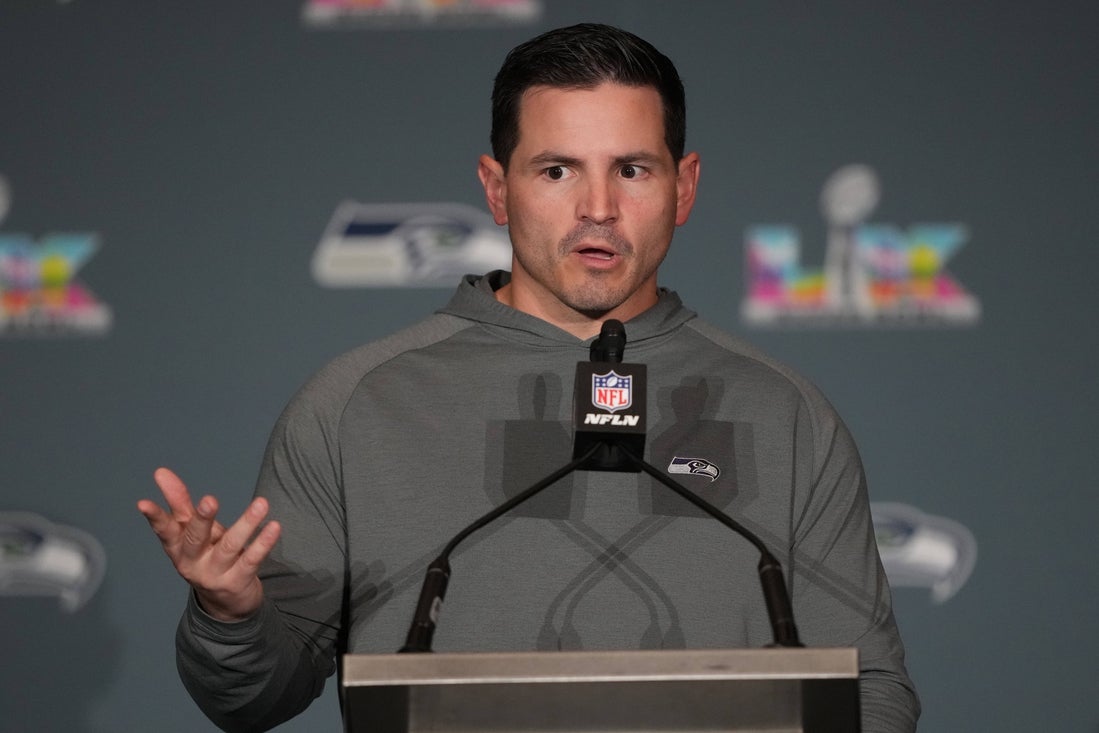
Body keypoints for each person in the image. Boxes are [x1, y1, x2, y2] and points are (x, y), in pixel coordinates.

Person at [138, 23, 919, 733]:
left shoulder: (784, 410)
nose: (598, 208)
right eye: (556, 169)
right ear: (494, 184)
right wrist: (229, 612)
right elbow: (251, 697)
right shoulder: (357, 402)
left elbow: (871, 692)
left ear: (683, 186)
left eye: (632, 169)